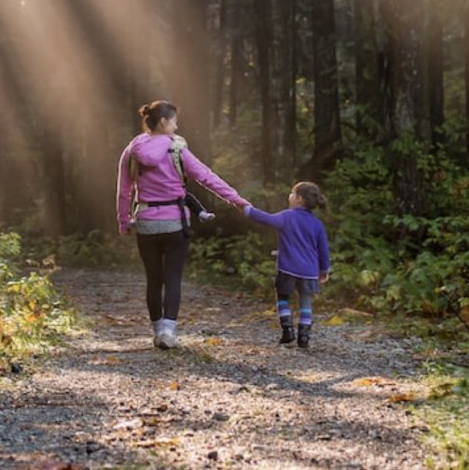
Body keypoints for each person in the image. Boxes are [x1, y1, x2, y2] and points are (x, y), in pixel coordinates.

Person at [117, 100, 249, 349]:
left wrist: (124, 221)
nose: (177, 127)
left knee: (153, 279)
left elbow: (124, 190)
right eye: (175, 121)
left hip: (146, 222)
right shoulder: (176, 149)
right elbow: (206, 177)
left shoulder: (132, 149)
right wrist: (236, 200)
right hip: (175, 223)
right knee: (173, 277)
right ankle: (169, 331)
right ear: (164, 122)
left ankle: (157, 331)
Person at [243, 182, 330, 348]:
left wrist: (247, 209)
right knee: (306, 302)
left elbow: (266, 219)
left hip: (288, 268)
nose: (289, 196)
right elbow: (323, 250)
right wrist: (324, 269)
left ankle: (288, 330)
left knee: (283, 297)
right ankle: (304, 337)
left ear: (298, 199)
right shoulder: (317, 224)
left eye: (292, 193)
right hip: (309, 272)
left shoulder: (287, 216)